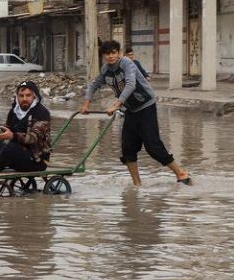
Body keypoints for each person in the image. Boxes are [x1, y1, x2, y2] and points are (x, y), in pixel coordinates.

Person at [80, 39, 191, 186]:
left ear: (119, 53)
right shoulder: (105, 70)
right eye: (107, 54)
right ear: (103, 56)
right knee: (128, 149)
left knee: (153, 146)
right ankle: (137, 184)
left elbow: (131, 84)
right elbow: (94, 85)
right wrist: (86, 104)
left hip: (146, 106)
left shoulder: (127, 63)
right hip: (130, 110)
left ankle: (181, 173)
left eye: (113, 53)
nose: (110, 56)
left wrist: (116, 104)